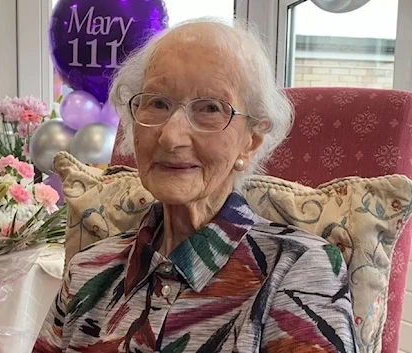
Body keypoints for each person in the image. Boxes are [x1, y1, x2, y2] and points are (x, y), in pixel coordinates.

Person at [33, 18, 356, 353]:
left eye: (210, 109)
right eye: (157, 103)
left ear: (251, 141)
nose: (171, 137)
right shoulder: (88, 270)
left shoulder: (297, 269)